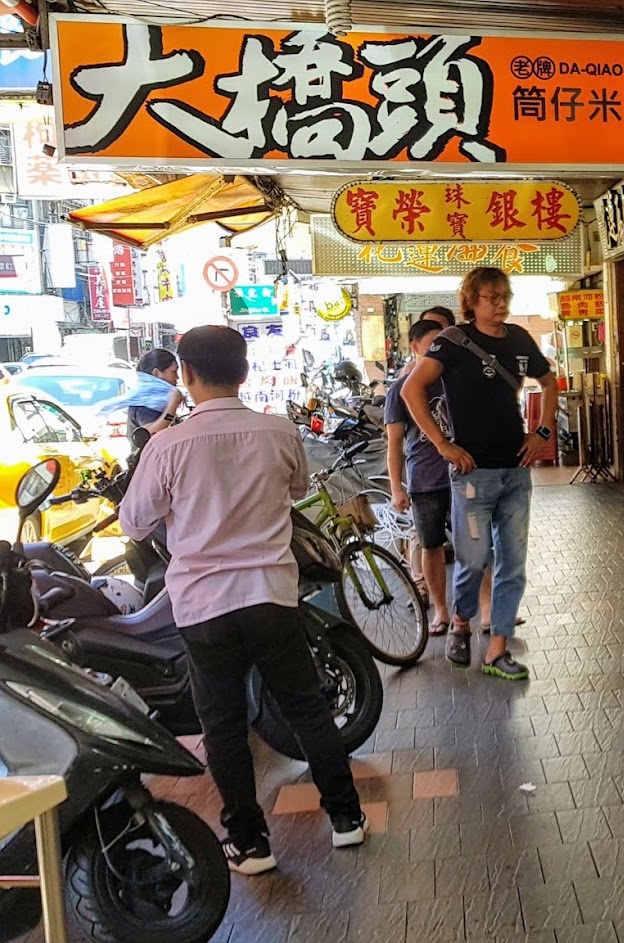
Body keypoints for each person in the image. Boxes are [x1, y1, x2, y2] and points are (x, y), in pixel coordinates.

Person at [120, 326, 365, 876]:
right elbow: (297, 489)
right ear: (245, 372)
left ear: (186, 375)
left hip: (203, 606)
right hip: (271, 596)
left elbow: (134, 522)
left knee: (224, 727)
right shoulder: (278, 431)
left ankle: (250, 845)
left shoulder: (166, 445)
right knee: (307, 709)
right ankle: (347, 818)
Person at [402, 267, 557, 680]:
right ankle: (460, 622)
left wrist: (542, 431)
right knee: (472, 561)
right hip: (472, 474)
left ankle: (498, 648)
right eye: (492, 297)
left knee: (513, 564)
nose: (501, 304)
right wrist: (442, 444)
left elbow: (548, 382)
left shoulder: (519, 339)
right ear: (471, 301)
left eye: (505, 296)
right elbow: (411, 390)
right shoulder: (452, 341)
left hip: (515, 470)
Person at [386, 318, 453, 635]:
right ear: (415, 347)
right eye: (433, 344)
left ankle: (485, 610)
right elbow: (394, 444)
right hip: (425, 481)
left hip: (462, 475)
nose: (440, 351)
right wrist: (396, 488)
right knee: (431, 546)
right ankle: (441, 611)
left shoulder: (454, 379)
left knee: (476, 546)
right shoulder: (399, 390)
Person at [127, 348, 186, 436]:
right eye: (173, 372)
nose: (177, 377)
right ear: (156, 373)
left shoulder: (159, 399)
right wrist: (173, 404)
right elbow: (152, 432)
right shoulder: (145, 402)